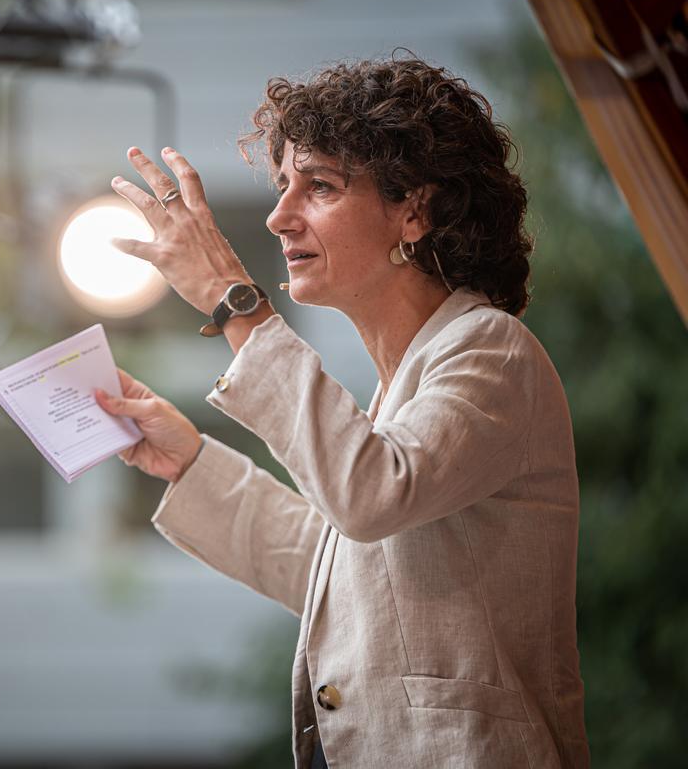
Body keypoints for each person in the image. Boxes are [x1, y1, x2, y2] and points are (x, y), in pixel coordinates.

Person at [92, 57, 590, 768]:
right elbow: (350, 584)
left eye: (319, 185)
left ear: (415, 210)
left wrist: (236, 301)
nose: (278, 215)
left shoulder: (492, 350)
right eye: (283, 185)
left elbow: (368, 495)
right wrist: (192, 463)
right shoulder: (408, 379)